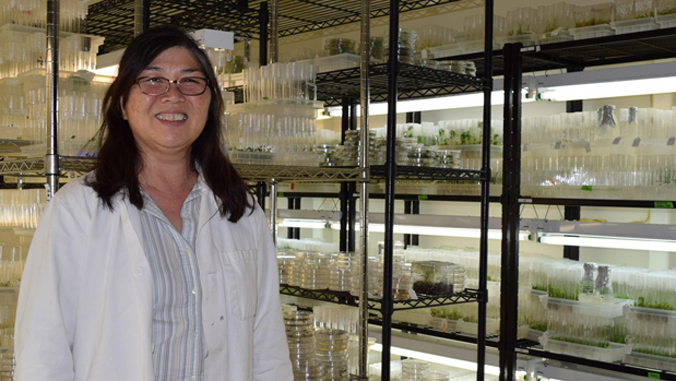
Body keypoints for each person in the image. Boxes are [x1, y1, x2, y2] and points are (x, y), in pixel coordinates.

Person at [14, 26, 293, 381]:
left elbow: (267, 345)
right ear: (122, 105)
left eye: (190, 82)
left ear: (209, 103)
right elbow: (42, 351)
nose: (173, 95)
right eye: (152, 81)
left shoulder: (239, 208)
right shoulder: (78, 208)